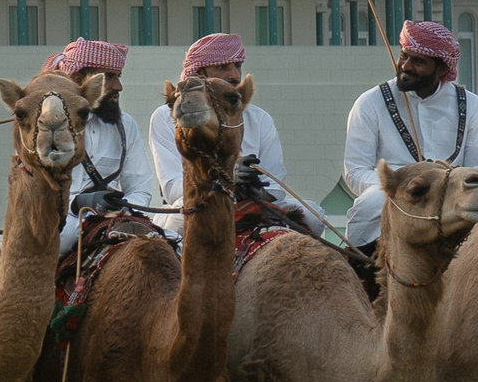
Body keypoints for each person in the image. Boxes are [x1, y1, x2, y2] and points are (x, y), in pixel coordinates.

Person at [340, 19, 478, 250]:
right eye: (404, 55)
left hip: (454, 195)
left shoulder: (471, 105)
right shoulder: (370, 103)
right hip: (393, 198)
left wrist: (443, 189)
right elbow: (355, 171)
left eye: (418, 61)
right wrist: (402, 187)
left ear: (442, 68)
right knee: (367, 206)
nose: (405, 66)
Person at [147, 32, 300, 215]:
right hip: (198, 205)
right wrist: (223, 179)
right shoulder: (167, 116)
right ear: (199, 73)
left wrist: (256, 190)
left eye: (237, 66)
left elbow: (276, 184)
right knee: (173, 225)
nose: (234, 75)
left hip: (251, 204)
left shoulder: (260, 118)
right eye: (222, 67)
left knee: (311, 215)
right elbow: (172, 188)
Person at [46, 37, 158, 254]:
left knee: (170, 242)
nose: (119, 87)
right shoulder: (50, 126)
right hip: (63, 220)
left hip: (117, 215)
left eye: (118, 77)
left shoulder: (126, 125)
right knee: (60, 241)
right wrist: (77, 203)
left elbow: (140, 187)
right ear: (78, 78)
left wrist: (120, 206)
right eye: (108, 77)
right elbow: (39, 192)